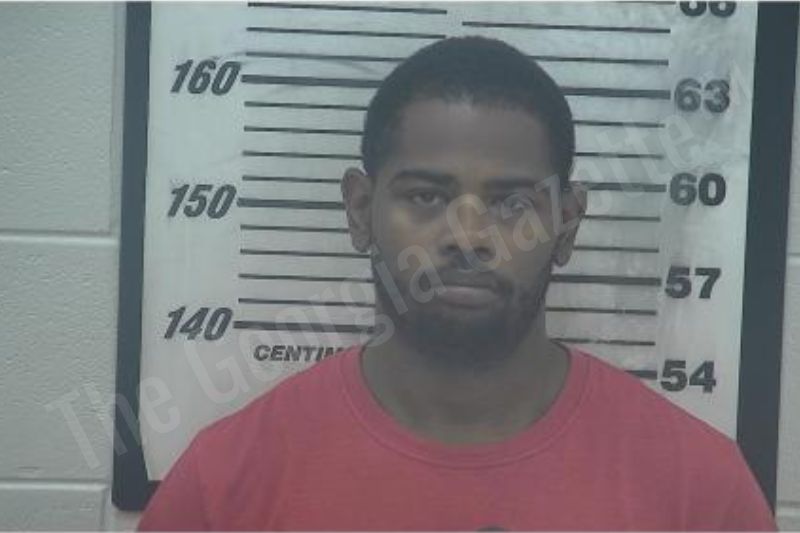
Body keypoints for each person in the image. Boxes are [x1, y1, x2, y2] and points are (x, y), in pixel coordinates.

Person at [138, 36, 776, 531]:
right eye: (425, 195)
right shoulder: (224, 486)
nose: (468, 235)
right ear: (360, 211)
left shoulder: (701, 493)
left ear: (566, 223)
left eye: (512, 203)